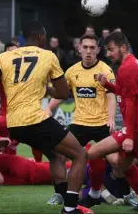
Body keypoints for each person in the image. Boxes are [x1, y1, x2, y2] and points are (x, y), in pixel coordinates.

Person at [0, 20, 90, 214]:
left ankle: (61, 195)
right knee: (81, 154)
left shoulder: (5, 55)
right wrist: (45, 89)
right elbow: (62, 93)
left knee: (55, 154)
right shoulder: (48, 56)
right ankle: (70, 207)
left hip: (14, 124)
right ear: (41, 37)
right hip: (35, 120)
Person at [45, 34, 117, 207]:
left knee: (116, 161)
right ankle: (61, 194)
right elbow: (62, 93)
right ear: (79, 49)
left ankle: (131, 193)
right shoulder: (71, 71)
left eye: (92, 48)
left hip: (101, 124)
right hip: (79, 124)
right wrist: (48, 108)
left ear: (98, 50)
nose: (88, 51)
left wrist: (111, 118)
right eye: (85, 47)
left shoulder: (105, 70)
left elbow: (111, 96)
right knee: (58, 156)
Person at [89, 31, 138, 212]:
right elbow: (125, 92)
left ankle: (94, 195)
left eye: (111, 50)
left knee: (93, 152)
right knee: (122, 164)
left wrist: (129, 136)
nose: (109, 54)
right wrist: (108, 85)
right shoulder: (134, 62)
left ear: (123, 47)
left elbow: (131, 103)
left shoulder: (127, 68)